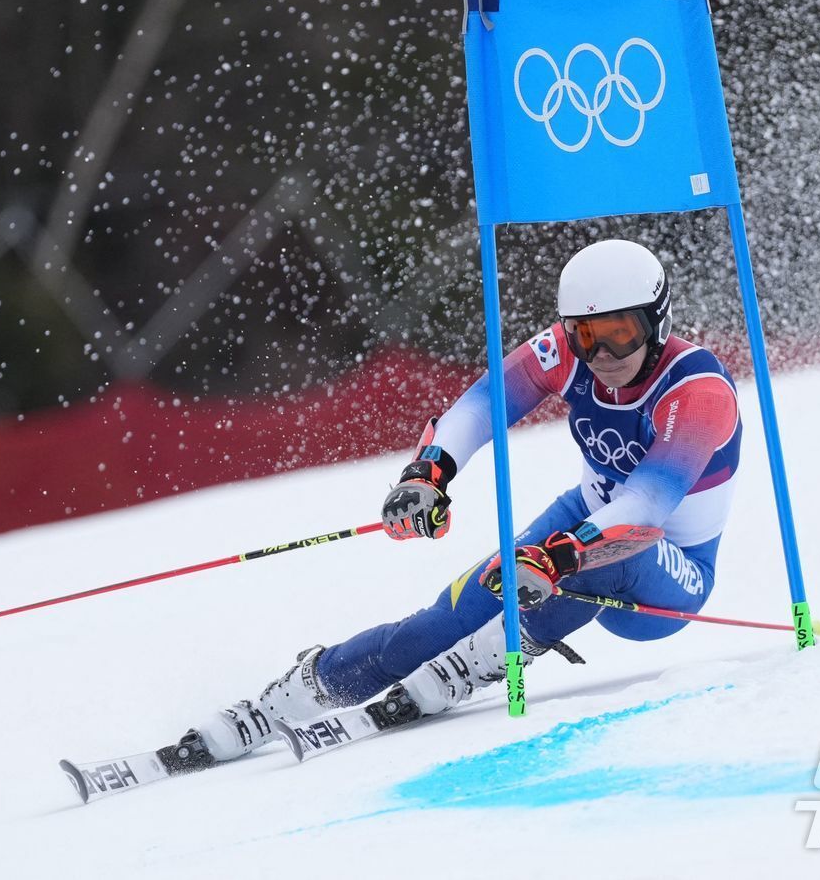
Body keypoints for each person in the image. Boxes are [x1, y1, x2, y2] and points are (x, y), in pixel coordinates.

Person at [170, 239, 743, 767]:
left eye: (622, 331)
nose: (602, 352)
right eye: (585, 334)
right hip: (580, 524)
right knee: (433, 627)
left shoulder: (698, 391)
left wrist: (560, 557)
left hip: (670, 572)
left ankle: (476, 662)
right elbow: (479, 408)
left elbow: (645, 507)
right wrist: (429, 474)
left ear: (658, 321)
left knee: (616, 556)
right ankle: (294, 695)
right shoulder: (563, 354)